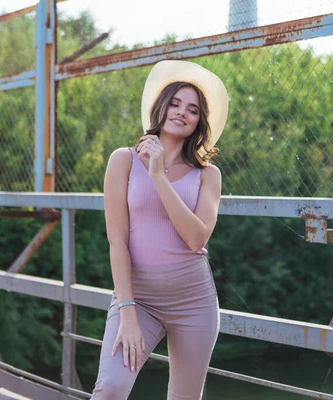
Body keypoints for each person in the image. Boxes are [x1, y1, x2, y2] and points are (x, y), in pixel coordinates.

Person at [91, 60, 228, 400]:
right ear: (160, 106)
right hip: (139, 298)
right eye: (175, 103)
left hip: (193, 300)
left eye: (193, 109)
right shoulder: (122, 160)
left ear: (200, 122)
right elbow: (117, 240)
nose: (182, 113)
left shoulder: (208, 175)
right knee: (110, 389)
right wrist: (128, 311)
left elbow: (196, 238)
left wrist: (158, 175)